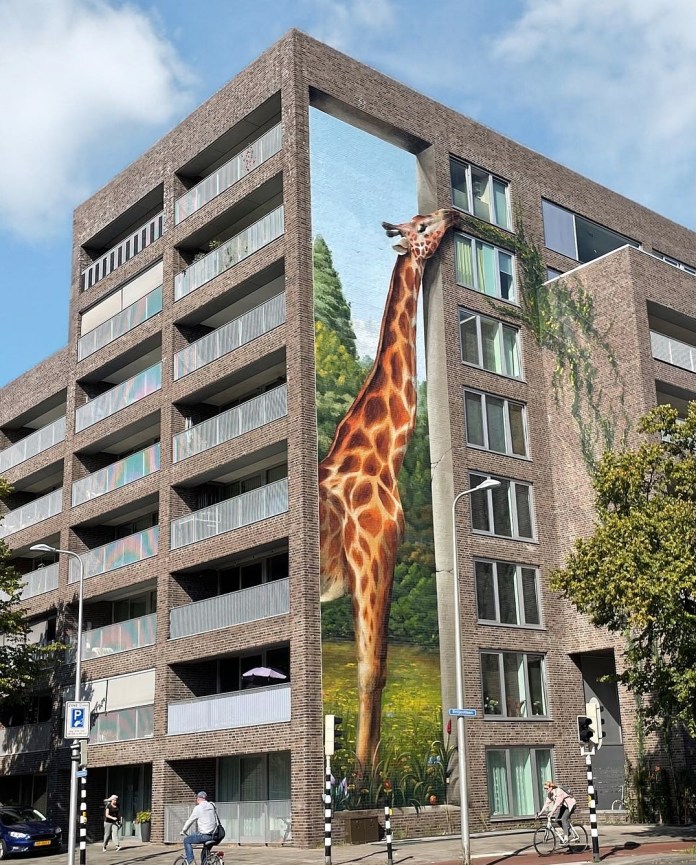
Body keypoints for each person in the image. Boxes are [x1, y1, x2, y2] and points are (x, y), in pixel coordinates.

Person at [180, 791, 217, 865]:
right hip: (215, 835)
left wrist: (183, 830)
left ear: (198, 798)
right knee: (204, 853)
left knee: (187, 840)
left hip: (205, 835)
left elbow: (190, 821)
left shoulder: (198, 808)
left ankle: (191, 861)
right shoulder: (212, 805)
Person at [537, 780, 577, 845]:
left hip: (571, 805)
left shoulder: (559, 791)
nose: (546, 790)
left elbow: (557, 803)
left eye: (546, 788)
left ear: (551, 787)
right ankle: (567, 830)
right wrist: (540, 813)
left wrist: (552, 812)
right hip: (564, 806)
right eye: (545, 789)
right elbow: (546, 804)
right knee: (557, 818)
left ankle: (566, 836)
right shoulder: (550, 794)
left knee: (563, 819)